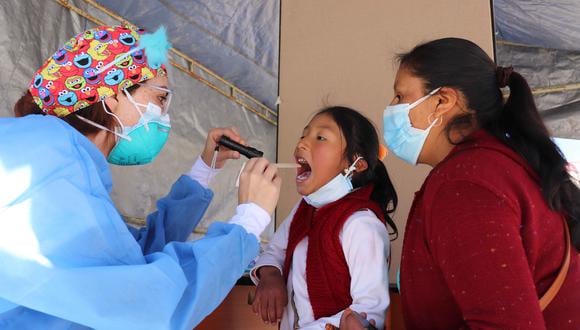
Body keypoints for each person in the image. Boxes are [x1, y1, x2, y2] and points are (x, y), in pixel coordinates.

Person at [0, 25, 281, 329]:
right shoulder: (46, 169)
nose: (164, 115)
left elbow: (127, 259)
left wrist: (204, 170)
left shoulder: (48, 155)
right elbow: (150, 306)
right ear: (114, 97)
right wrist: (248, 221)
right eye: (161, 99)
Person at [382, 37, 580, 329]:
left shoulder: (464, 184)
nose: (390, 107)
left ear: (442, 101)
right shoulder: (498, 165)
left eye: (400, 97)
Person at [249, 107, 398, 329]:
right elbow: (275, 252)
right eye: (303, 135)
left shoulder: (361, 225)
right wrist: (270, 275)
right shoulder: (304, 208)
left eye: (320, 137)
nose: (302, 144)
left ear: (356, 164)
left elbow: (369, 310)